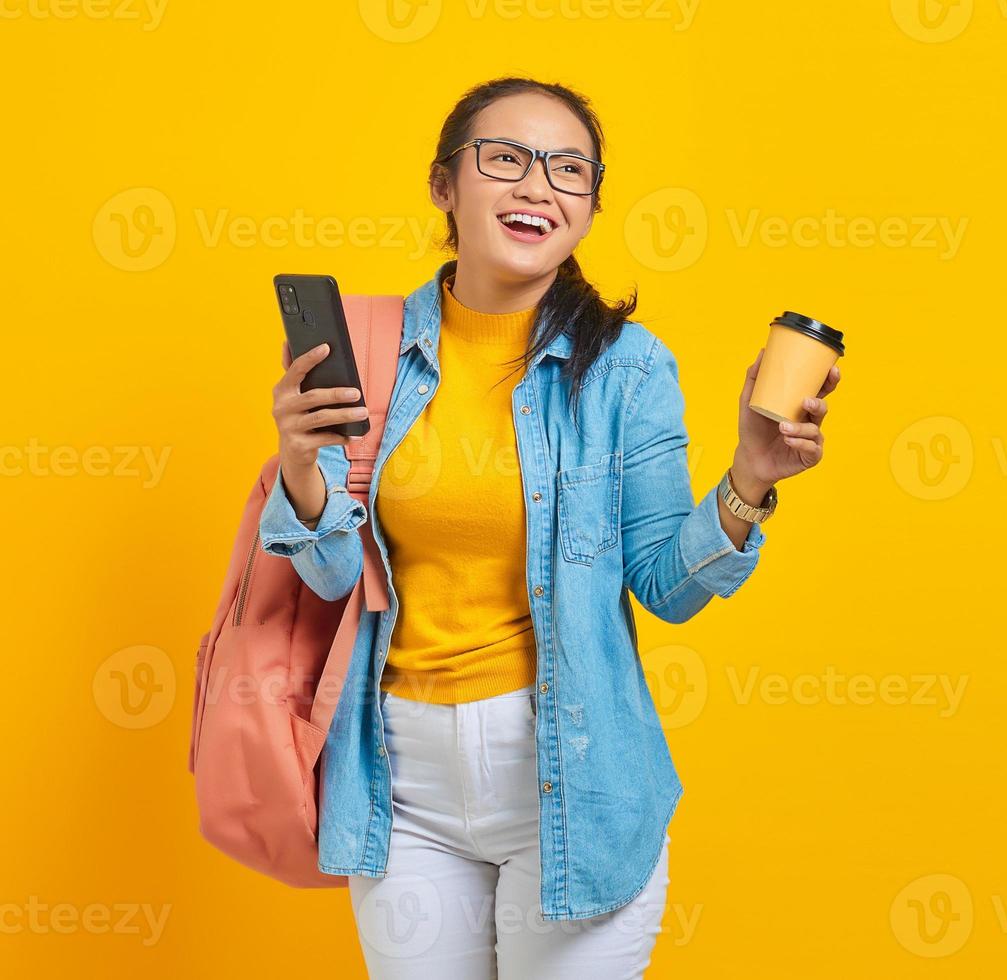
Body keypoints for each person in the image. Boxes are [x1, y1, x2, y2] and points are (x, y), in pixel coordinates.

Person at [259, 76, 840, 978]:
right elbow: (335, 579)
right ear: (445, 186)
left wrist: (750, 480)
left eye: (570, 170)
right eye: (507, 159)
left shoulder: (629, 369)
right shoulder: (368, 350)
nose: (539, 187)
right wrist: (300, 465)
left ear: (591, 205)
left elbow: (665, 586)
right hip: (398, 781)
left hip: (574, 781)